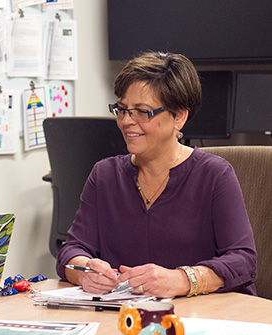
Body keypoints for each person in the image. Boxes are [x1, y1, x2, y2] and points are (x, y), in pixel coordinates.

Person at [56, 51, 257, 298]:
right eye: (122, 109)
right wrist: (85, 270)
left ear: (179, 117)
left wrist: (183, 279)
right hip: (126, 319)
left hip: (204, 320)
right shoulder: (104, 175)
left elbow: (243, 261)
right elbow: (71, 251)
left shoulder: (215, 175)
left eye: (142, 111)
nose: (127, 121)